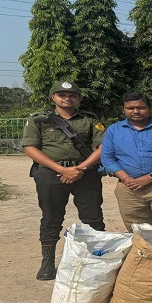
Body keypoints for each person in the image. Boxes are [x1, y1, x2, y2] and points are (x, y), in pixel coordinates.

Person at [21, 81, 105, 281]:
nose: (67, 98)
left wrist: (80, 168)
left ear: (78, 98)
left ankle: (96, 260)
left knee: (93, 217)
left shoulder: (90, 120)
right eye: (62, 95)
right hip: (51, 172)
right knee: (51, 217)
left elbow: (102, 147)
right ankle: (47, 263)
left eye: (72, 95)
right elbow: (30, 148)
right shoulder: (38, 119)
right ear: (53, 98)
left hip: (85, 172)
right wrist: (61, 169)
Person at [101, 92, 152, 234]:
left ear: (150, 108)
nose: (136, 111)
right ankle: (144, 255)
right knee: (137, 231)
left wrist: (149, 177)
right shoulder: (113, 130)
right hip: (128, 188)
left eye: (141, 107)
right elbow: (107, 158)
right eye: (130, 108)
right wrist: (127, 179)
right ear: (123, 109)